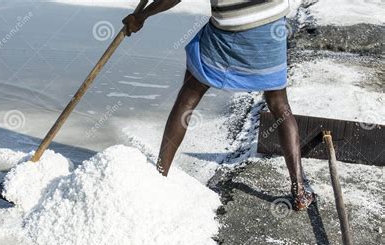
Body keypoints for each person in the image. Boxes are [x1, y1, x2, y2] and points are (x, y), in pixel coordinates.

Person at [123, 0, 314, 211]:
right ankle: (299, 191)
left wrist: (143, 16)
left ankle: (160, 173)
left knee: (189, 95)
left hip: (231, 29)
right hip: (271, 27)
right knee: (279, 104)